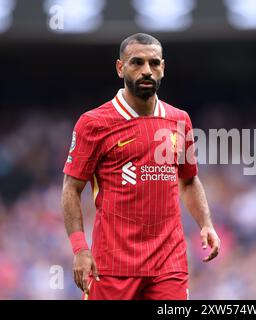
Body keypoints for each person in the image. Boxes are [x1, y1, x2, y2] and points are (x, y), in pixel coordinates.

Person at [61, 33, 220, 300]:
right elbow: (71, 188)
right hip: (112, 266)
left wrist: (206, 224)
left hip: (169, 265)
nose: (147, 70)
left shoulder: (179, 120)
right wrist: (80, 249)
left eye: (154, 63)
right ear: (120, 68)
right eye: (137, 63)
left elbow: (189, 180)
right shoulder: (94, 123)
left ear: (163, 68)